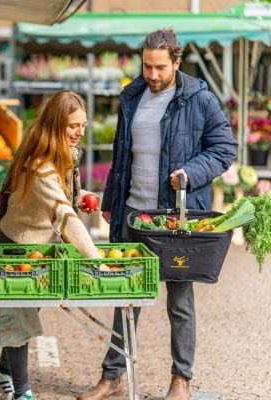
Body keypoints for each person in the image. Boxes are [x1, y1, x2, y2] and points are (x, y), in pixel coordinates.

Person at [78, 29, 238, 400]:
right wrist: (111, 199)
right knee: (125, 298)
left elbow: (225, 147)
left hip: (175, 220)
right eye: (147, 66)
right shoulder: (132, 96)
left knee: (179, 302)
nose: (152, 74)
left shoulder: (199, 99)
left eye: (160, 67)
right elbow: (122, 157)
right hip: (134, 215)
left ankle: (181, 380)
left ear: (177, 63)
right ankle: (112, 376)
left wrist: (192, 172)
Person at [0, 91, 104, 400]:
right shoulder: (40, 164)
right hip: (19, 244)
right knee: (20, 317)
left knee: (24, 312)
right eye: (72, 126)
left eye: (83, 125)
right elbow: (63, 214)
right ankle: (22, 392)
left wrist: (82, 197)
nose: (79, 132)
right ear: (55, 125)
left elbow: (65, 197)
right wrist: (96, 258)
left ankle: (2, 371)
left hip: (41, 243)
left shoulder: (66, 151)